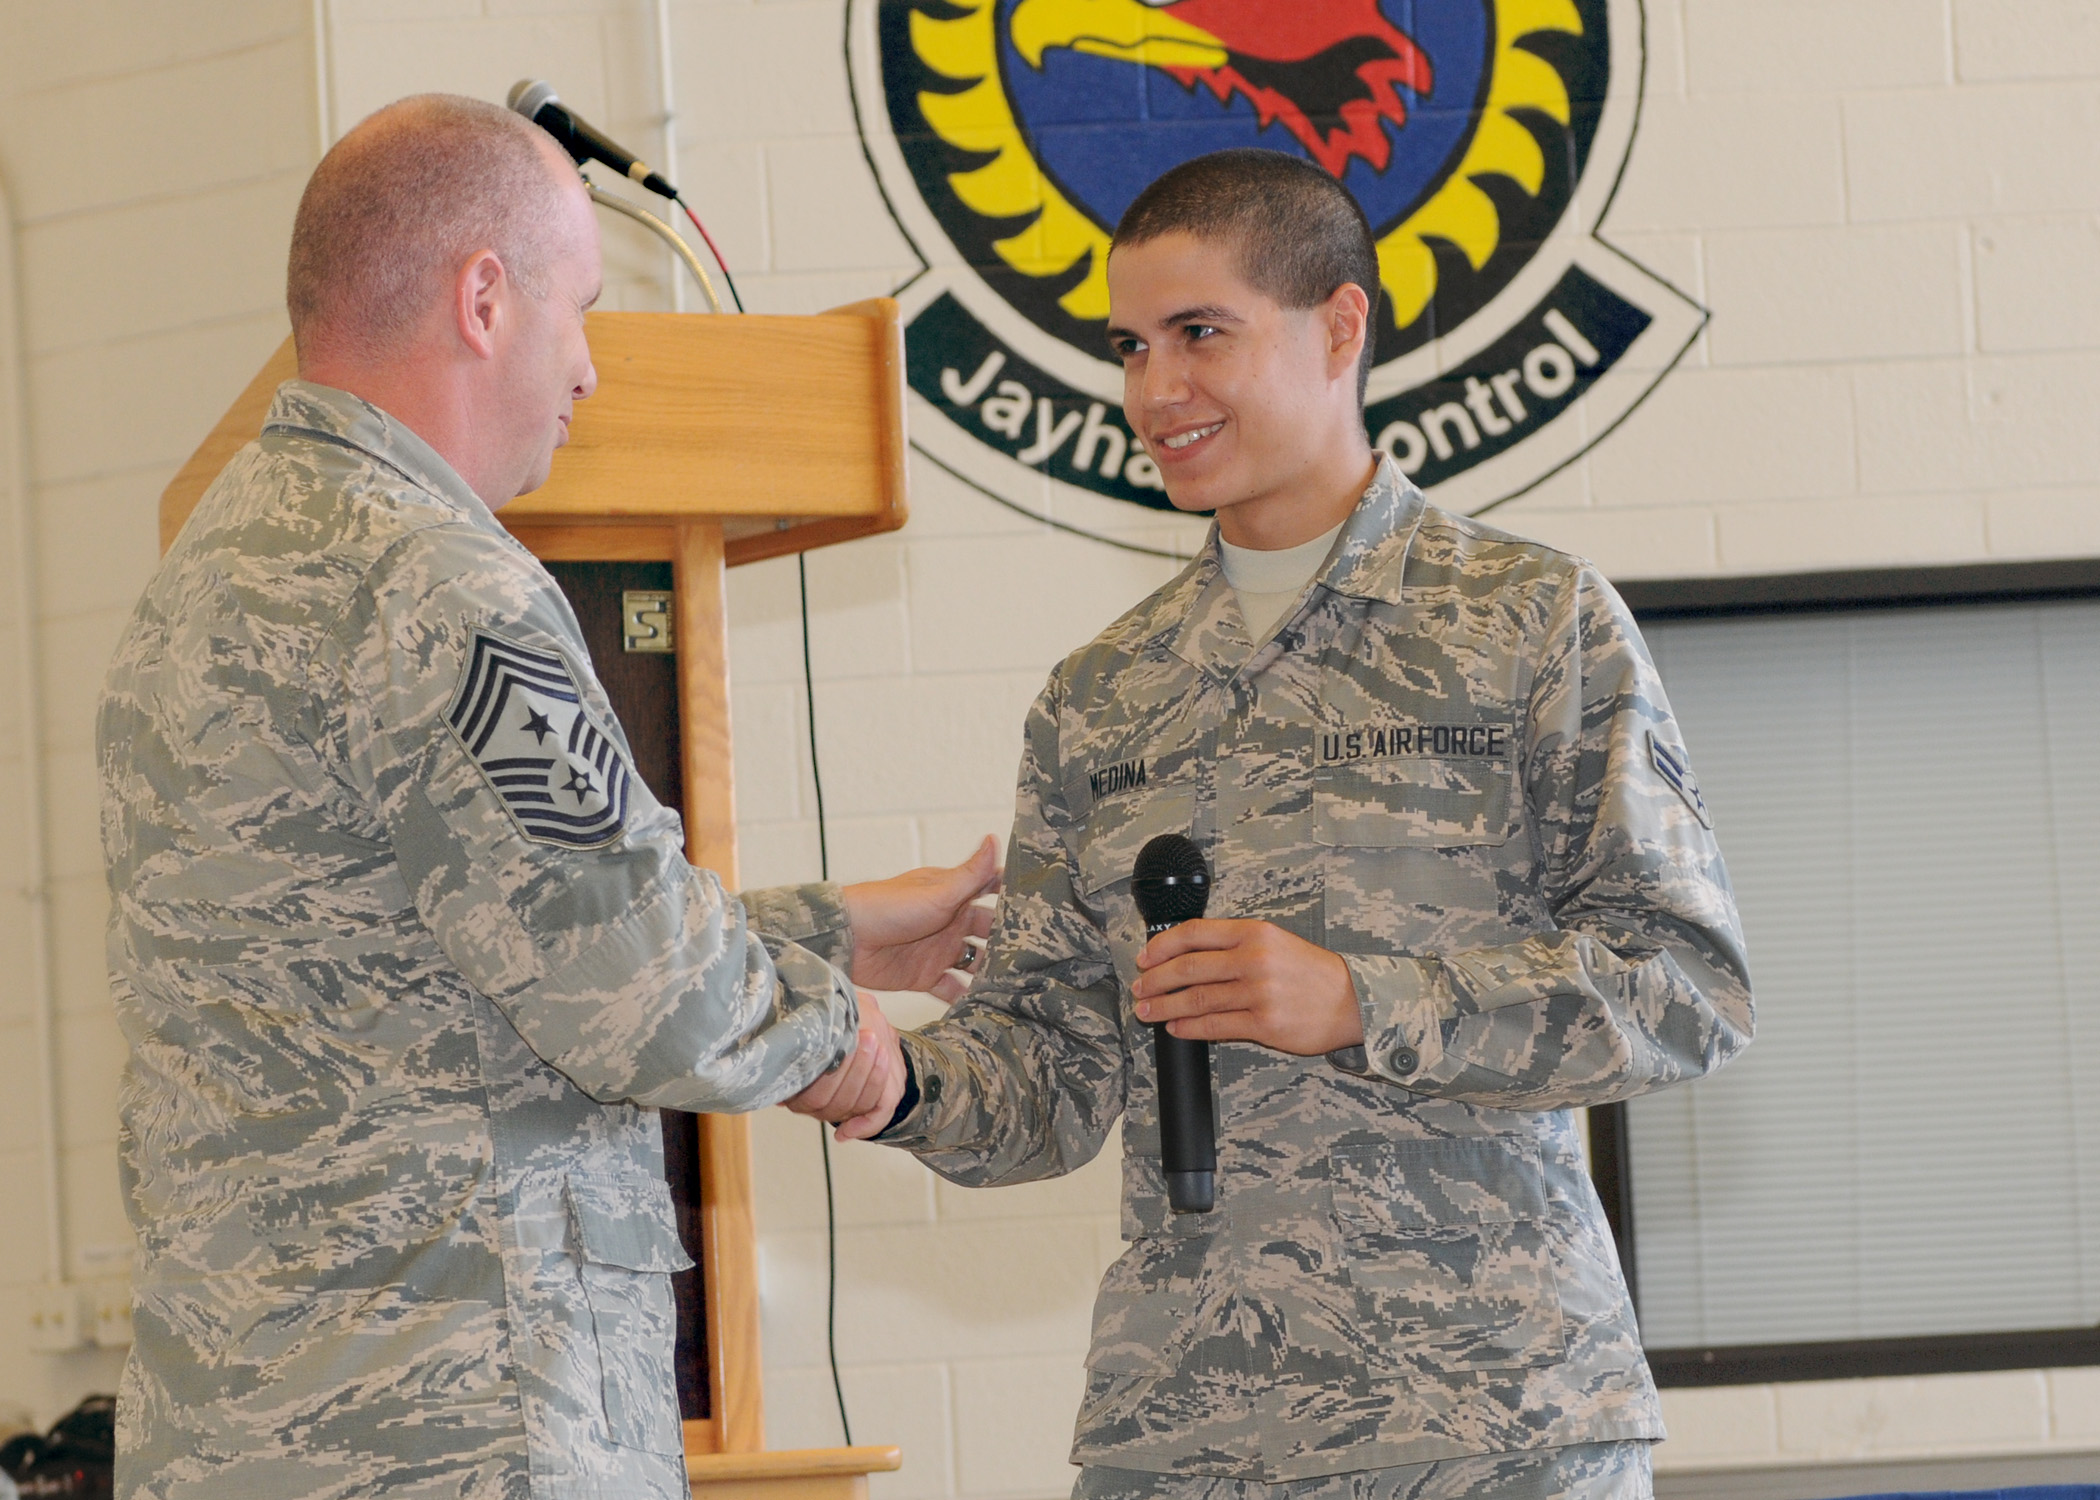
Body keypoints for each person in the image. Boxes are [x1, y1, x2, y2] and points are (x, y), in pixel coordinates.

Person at [794, 149, 1753, 1499]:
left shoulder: (1530, 621)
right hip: (1188, 1437)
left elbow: (1684, 987)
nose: (1154, 390)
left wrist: (1363, 998)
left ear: (1340, 327)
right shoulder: (1100, 696)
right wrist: (883, 1078)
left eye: (1200, 335)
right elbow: (1055, 1077)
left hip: (1493, 1424)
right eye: (1130, 347)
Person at [97, 94, 986, 1500]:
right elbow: (644, 992)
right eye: (579, 310)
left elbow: (448, 958)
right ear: (484, 298)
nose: (588, 371)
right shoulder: (440, 580)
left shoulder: (201, 582)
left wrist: (840, 926)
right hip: (455, 1424)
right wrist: (860, 1048)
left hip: (245, 1429)